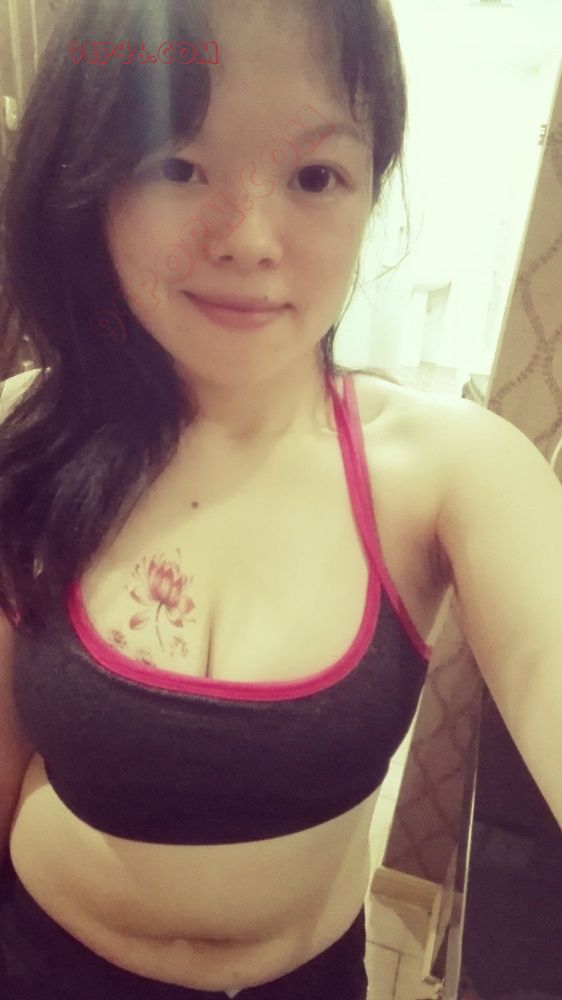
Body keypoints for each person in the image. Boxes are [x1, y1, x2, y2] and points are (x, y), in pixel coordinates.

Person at [0, 1, 561, 998]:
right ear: (92, 181)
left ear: (370, 189)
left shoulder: (450, 468)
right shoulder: (24, 433)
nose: (251, 239)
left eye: (314, 176)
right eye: (178, 164)